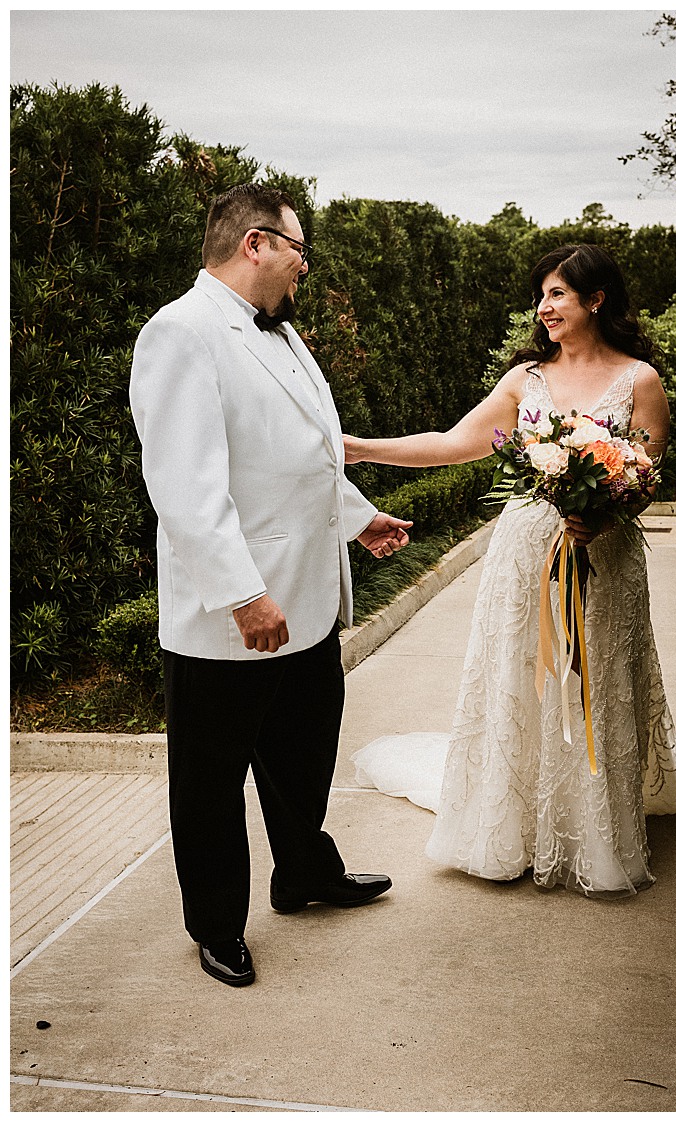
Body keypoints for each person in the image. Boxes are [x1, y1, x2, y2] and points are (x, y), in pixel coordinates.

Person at [347, 244, 676, 897]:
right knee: (523, 682)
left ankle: (593, 831)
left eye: (557, 295)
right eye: (541, 295)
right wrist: (356, 447)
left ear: (594, 299)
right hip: (524, 559)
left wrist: (605, 513)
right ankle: (511, 829)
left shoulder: (640, 380)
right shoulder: (526, 380)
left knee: (594, 681)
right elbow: (453, 444)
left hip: (604, 558)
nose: (543, 308)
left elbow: (647, 473)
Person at [130, 183, 415, 988]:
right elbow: (185, 484)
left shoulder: (283, 334)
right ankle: (217, 924)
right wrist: (241, 594)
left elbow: (305, 452)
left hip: (309, 601)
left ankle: (305, 873)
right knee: (212, 780)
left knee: (301, 750)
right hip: (235, 614)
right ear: (255, 243)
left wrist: (357, 518)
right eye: (298, 248)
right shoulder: (181, 333)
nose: (303, 265)